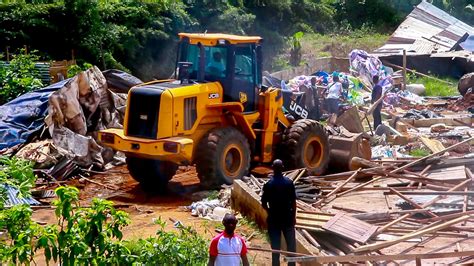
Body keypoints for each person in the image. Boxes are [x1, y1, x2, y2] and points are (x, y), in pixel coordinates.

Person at [261, 159, 297, 266]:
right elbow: (294, 203)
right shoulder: (289, 183)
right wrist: (294, 216)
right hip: (288, 219)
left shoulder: (268, 185)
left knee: (276, 248)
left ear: (272, 168)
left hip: (274, 220)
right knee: (291, 247)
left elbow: (263, 203)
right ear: (283, 168)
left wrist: (269, 211)